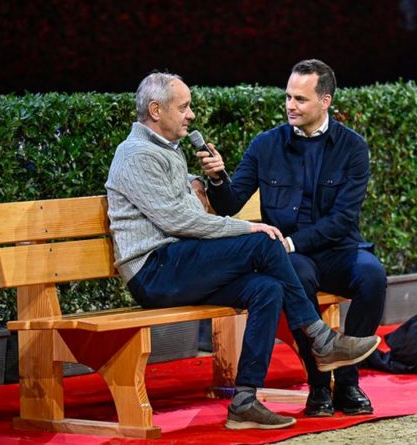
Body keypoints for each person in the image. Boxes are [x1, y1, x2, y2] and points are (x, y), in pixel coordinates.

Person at [105, 72, 380, 430]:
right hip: (155, 271)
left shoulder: (167, 151)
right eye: (184, 107)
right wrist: (249, 227)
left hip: (180, 263)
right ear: (156, 110)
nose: (190, 115)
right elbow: (178, 221)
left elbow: (188, 215)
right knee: (263, 241)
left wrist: (206, 184)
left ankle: (245, 399)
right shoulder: (136, 154)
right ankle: (322, 338)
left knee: (266, 289)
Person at [195, 59, 387, 416]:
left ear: (325, 101)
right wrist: (219, 178)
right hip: (292, 258)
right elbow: (231, 204)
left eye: (300, 99)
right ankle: (318, 387)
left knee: (373, 276)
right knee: (296, 276)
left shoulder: (352, 148)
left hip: (336, 249)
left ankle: (347, 384)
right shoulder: (266, 144)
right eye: (287, 97)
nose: (290, 105)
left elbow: (343, 219)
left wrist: (293, 242)